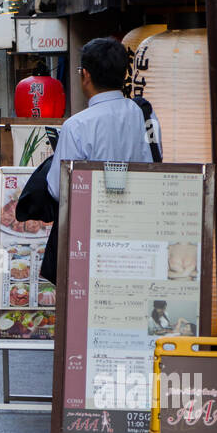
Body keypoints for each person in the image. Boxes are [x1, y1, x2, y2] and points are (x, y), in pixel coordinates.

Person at [40, 37, 159, 284]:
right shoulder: (146, 115)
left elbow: (57, 189)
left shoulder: (76, 126)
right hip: (141, 229)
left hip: (93, 232)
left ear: (86, 75)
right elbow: (156, 166)